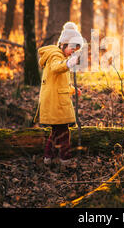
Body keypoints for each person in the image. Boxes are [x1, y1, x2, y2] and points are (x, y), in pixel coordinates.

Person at [38, 22, 83, 167]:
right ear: (63, 44)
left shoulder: (60, 56)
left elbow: (59, 82)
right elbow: (56, 68)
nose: (73, 52)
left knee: (56, 132)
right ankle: (66, 160)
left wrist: (72, 89)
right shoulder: (55, 56)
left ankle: (48, 157)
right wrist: (69, 63)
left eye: (76, 49)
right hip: (55, 103)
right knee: (64, 134)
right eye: (72, 48)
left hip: (56, 100)